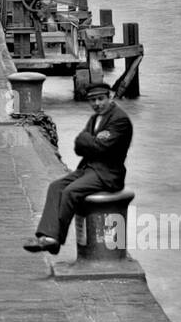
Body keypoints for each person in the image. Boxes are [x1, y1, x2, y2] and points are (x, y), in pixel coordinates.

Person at [23, 81, 133, 254]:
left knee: (71, 192)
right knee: (56, 187)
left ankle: (55, 239)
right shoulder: (95, 118)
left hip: (108, 174)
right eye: (93, 100)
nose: (96, 104)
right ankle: (47, 234)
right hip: (89, 168)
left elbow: (100, 147)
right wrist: (91, 141)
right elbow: (78, 146)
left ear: (110, 97)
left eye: (100, 99)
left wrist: (88, 141)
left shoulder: (120, 120)